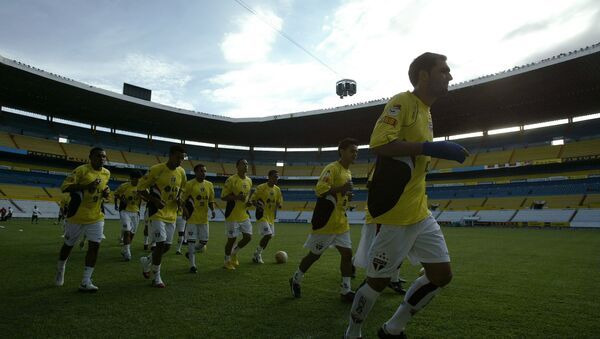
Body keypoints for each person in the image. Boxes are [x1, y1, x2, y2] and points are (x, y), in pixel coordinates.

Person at [344, 52, 469, 339]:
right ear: (424, 75)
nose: (449, 75)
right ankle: (352, 332)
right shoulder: (403, 101)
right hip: (393, 214)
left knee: (441, 275)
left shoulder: (426, 111)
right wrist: (429, 148)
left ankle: (393, 328)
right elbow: (380, 143)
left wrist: (429, 148)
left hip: (420, 211)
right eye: (444, 70)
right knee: (377, 281)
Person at [289, 138, 359, 302]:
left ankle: (346, 290)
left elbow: (338, 194)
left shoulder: (348, 172)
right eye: (352, 151)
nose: (355, 154)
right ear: (342, 151)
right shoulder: (332, 168)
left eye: (356, 151)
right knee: (314, 255)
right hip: (326, 222)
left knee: (347, 254)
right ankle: (296, 278)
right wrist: (342, 189)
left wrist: (346, 194)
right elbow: (320, 190)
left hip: (341, 222)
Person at [54, 147, 111, 292]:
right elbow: (64, 187)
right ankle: (61, 268)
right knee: (68, 245)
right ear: (90, 157)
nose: (102, 159)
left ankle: (85, 281)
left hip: (96, 216)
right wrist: (86, 186)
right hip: (76, 216)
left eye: (104, 157)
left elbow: (102, 189)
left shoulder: (106, 173)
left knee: (95, 246)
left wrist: (105, 193)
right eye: (98, 156)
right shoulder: (81, 170)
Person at [137, 145, 187, 288]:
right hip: (156, 213)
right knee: (160, 244)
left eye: (182, 158)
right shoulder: (156, 169)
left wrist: (179, 199)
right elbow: (140, 188)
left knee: (166, 247)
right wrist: (154, 200)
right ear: (170, 155)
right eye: (178, 157)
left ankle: (147, 261)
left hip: (171, 214)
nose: (180, 160)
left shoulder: (182, 172)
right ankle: (156, 277)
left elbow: (182, 189)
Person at [182, 163, 216, 273]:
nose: (203, 173)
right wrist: (185, 211)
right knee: (191, 242)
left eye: (205, 171)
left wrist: (213, 210)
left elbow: (211, 200)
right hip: (192, 218)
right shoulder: (189, 184)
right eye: (201, 171)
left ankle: (190, 253)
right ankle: (192, 265)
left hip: (204, 218)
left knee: (204, 241)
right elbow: (183, 200)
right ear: (196, 172)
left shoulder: (210, 185)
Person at [221, 159, 253, 270]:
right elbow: (223, 197)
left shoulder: (249, 180)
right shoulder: (231, 180)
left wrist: (248, 203)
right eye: (243, 164)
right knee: (232, 239)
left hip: (244, 214)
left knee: (248, 237)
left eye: (247, 164)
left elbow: (247, 197)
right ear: (237, 166)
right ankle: (227, 261)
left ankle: (234, 253)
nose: (246, 166)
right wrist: (237, 197)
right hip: (232, 215)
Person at [251, 169, 283, 264]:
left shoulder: (277, 189)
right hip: (262, 215)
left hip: (270, 217)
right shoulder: (261, 188)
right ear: (269, 177)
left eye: (277, 177)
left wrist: (279, 205)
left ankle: (257, 254)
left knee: (269, 237)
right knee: (268, 235)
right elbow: (252, 200)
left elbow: (278, 201)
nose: (276, 179)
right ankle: (257, 254)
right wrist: (258, 205)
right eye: (274, 177)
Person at [114, 171, 143, 261]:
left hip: (136, 212)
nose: (138, 180)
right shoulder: (124, 186)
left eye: (139, 178)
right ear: (131, 178)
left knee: (132, 234)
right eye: (136, 178)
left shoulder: (141, 187)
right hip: (125, 211)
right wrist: (121, 199)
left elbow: (147, 197)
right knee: (126, 231)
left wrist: (141, 195)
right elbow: (116, 194)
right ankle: (128, 253)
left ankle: (124, 249)